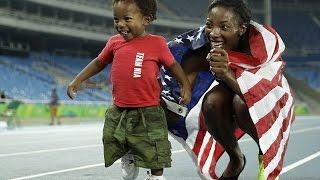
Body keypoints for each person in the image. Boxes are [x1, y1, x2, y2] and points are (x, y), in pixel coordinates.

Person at [128, 0, 295, 179]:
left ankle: (265, 153)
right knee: (212, 103)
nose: (214, 33)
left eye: (224, 27)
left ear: (242, 29)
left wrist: (227, 74)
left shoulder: (264, 44)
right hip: (228, 91)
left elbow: (266, 94)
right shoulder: (199, 47)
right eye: (209, 25)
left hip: (271, 98)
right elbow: (173, 88)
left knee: (241, 103)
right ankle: (236, 158)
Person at [67, 0, 191, 179]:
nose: (120, 24)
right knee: (113, 137)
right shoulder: (114, 43)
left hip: (149, 108)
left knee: (155, 145)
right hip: (120, 107)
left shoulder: (157, 43)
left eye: (127, 18)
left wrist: (185, 85)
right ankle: (128, 155)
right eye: (116, 19)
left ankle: (156, 176)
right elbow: (98, 62)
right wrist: (77, 80)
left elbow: (173, 66)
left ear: (146, 20)